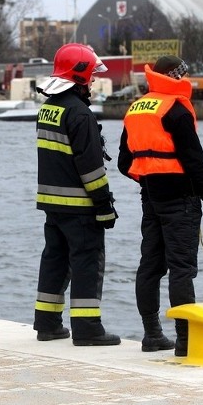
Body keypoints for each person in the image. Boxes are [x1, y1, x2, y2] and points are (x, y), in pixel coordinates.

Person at [117, 55, 203, 357]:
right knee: (182, 270)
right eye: (184, 73)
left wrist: (149, 178)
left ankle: (152, 334)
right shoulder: (176, 109)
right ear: (175, 77)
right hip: (181, 200)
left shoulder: (136, 108)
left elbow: (125, 162)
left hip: (150, 198)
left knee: (150, 266)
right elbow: (194, 161)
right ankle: (185, 342)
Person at [33, 43, 120, 347]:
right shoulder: (80, 114)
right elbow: (91, 168)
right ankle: (87, 329)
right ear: (80, 76)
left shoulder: (49, 108)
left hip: (52, 205)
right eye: (92, 76)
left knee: (54, 259)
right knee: (86, 262)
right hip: (81, 207)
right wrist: (105, 206)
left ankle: (47, 324)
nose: (94, 81)